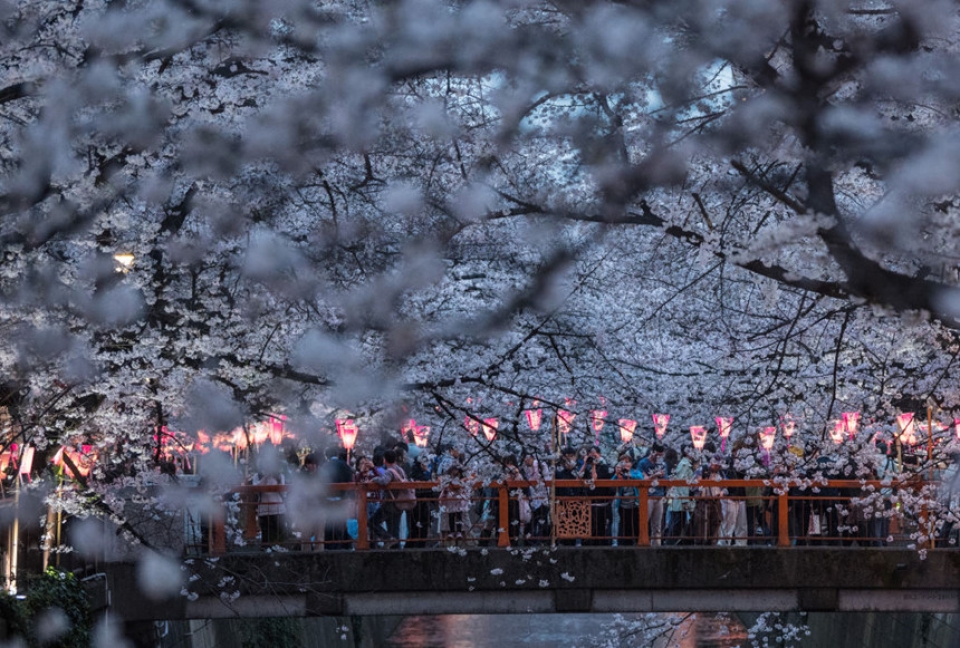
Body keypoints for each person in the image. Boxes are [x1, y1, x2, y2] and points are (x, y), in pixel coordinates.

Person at [320, 447, 354, 550]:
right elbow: (350, 480)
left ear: (327, 456)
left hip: (329, 499)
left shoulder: (325, 466)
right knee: (341, 523)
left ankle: (330, 545)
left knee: (329, 523)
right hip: (343, 498)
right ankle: (343, 545)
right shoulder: (345, 465)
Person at [580, 446, 614, 545]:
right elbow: (578, 476)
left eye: (595, 454)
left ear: (599, 454)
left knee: (600, 524)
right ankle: (587, 542)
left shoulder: (604, 467)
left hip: (601, 500)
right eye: (590, 454)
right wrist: (585, 463)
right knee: (588, 524)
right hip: (588, 500)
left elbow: (595, 479)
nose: (593, 456)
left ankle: (600, 543)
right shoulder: (586, 467)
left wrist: (594, 466)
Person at [665, 444, 696, 545]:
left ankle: (671, 544)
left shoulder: (685, 464)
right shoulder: (684, 465)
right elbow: (682, 484)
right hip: (680, 499)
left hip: (679, 498)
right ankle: (669, 545)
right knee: (677, 524)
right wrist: (685, 500)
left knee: (678, 523)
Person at [637, 443, 666, 546]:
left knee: (657, 525)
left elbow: (666, 480)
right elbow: (643, 479)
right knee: (645, 521)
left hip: (659, 495)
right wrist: (655, 475)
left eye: (661, 455)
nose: (659, 457)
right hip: (647, 496)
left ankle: (657, 546)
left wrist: (662, 476)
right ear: (652, 452)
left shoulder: (663, 464)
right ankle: (642, 543)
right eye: (658, 454)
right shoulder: (643, 463)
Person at [520, 453, 551, 544]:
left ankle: (536, 539)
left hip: (542, 496)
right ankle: (540, 539)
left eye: (527, 458)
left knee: (537, 518)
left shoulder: (539, 464)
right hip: (537, 497)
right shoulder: (529, 467)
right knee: (539, 518)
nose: (526, 461)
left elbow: (535, 478)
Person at [614, 453, 642, 545]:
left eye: (627, 462)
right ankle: (625, 544)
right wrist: (617, 473)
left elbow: (641, 478)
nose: (625, 464)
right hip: (623, 504)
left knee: (636, 525)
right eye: (623, 462)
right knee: (625, 525)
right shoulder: (619, 474)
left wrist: (629, 475)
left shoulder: (635, 472)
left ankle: (638, 543)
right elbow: (611, 482)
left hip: (635, 504)